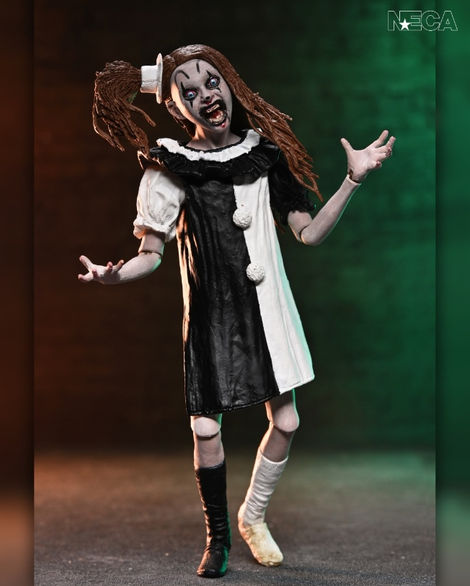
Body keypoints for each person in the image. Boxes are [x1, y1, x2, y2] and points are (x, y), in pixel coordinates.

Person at [78, 44, 395, 578]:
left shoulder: (262, 154)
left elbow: (309, 233)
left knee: (287, 420)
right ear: (175, 107)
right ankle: (218, 537)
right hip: (211, 317)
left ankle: (253, 515)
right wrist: (114, 275)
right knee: (206, 428)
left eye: (211, 82)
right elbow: (150, 254)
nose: (205, 95)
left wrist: (353, 179)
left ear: (228, 84)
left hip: (266, 311)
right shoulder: (170, 166)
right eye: (189, 91)